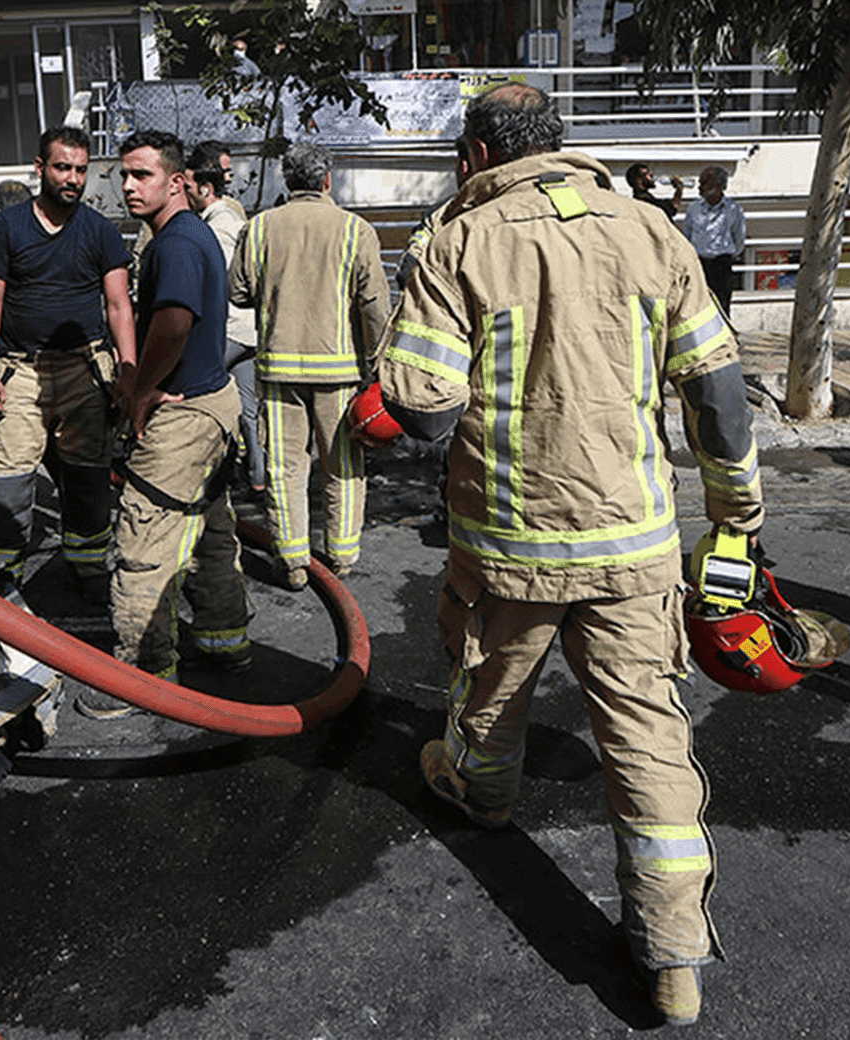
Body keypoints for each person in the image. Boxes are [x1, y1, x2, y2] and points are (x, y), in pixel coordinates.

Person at [380, 82, 765, 1028]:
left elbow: (424, 408)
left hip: (511, 544)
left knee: (492, 686)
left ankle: (485, 796)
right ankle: (674, 957)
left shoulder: (457, 242)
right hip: (635, 543)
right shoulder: (652, 232)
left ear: (475, 156)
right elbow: (717, 395)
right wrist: (735, 509)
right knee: (645, 737)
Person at [83, 130, 251, 719]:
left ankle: (143, 674)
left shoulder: (176, 245)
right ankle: (225, 638)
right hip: (216, 405)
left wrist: (141, 390)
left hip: (183, 417)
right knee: (208, 530)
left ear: (176, 182)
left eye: (142, 176)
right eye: (123, 175)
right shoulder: (185, 234)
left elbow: (174, 324)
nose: (127, 186)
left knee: (143, 543)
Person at [0, 126, 135, 597]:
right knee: (8, 481)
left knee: (87, 477)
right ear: (39, 168)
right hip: (20, 371)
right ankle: (6, 577)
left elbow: (119, 305)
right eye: (63, 168)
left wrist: (128, 369)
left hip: (84, 370)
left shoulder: (100, 230)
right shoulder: (6, 227)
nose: (73, 179)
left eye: (81, 170)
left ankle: (87, 569)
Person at [228, 142, 390, 587]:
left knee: (284, 467)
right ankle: (341, 556)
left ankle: (294, 561)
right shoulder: (356, 230)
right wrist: (375, 363)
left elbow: (237, 292)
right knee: (343, 466)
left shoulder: (260, 228)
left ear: (287, 180)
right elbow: (374, 306)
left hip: (279, 371)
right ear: (326, 181)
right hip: (340, 374)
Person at [186, 140, 264, 494]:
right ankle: (259, 477)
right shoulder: (232, 218)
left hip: (230, 327)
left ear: (205, 187)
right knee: (247, 408)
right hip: (248, 330)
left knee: (201, 397)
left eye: (189, 188)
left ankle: (213, 473)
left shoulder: (217, 224)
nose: (185, 194)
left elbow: (217, 280)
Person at [682, 165, 746, 314]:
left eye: (704, 183)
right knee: (699, 305)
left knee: (722, 305)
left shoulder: (733, 208)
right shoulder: (694, 208)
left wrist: (727, 255)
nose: (700, 187)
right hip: (700, 263)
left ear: (718, 185)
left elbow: (739, 237)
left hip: (721, 264)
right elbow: (687, 235)